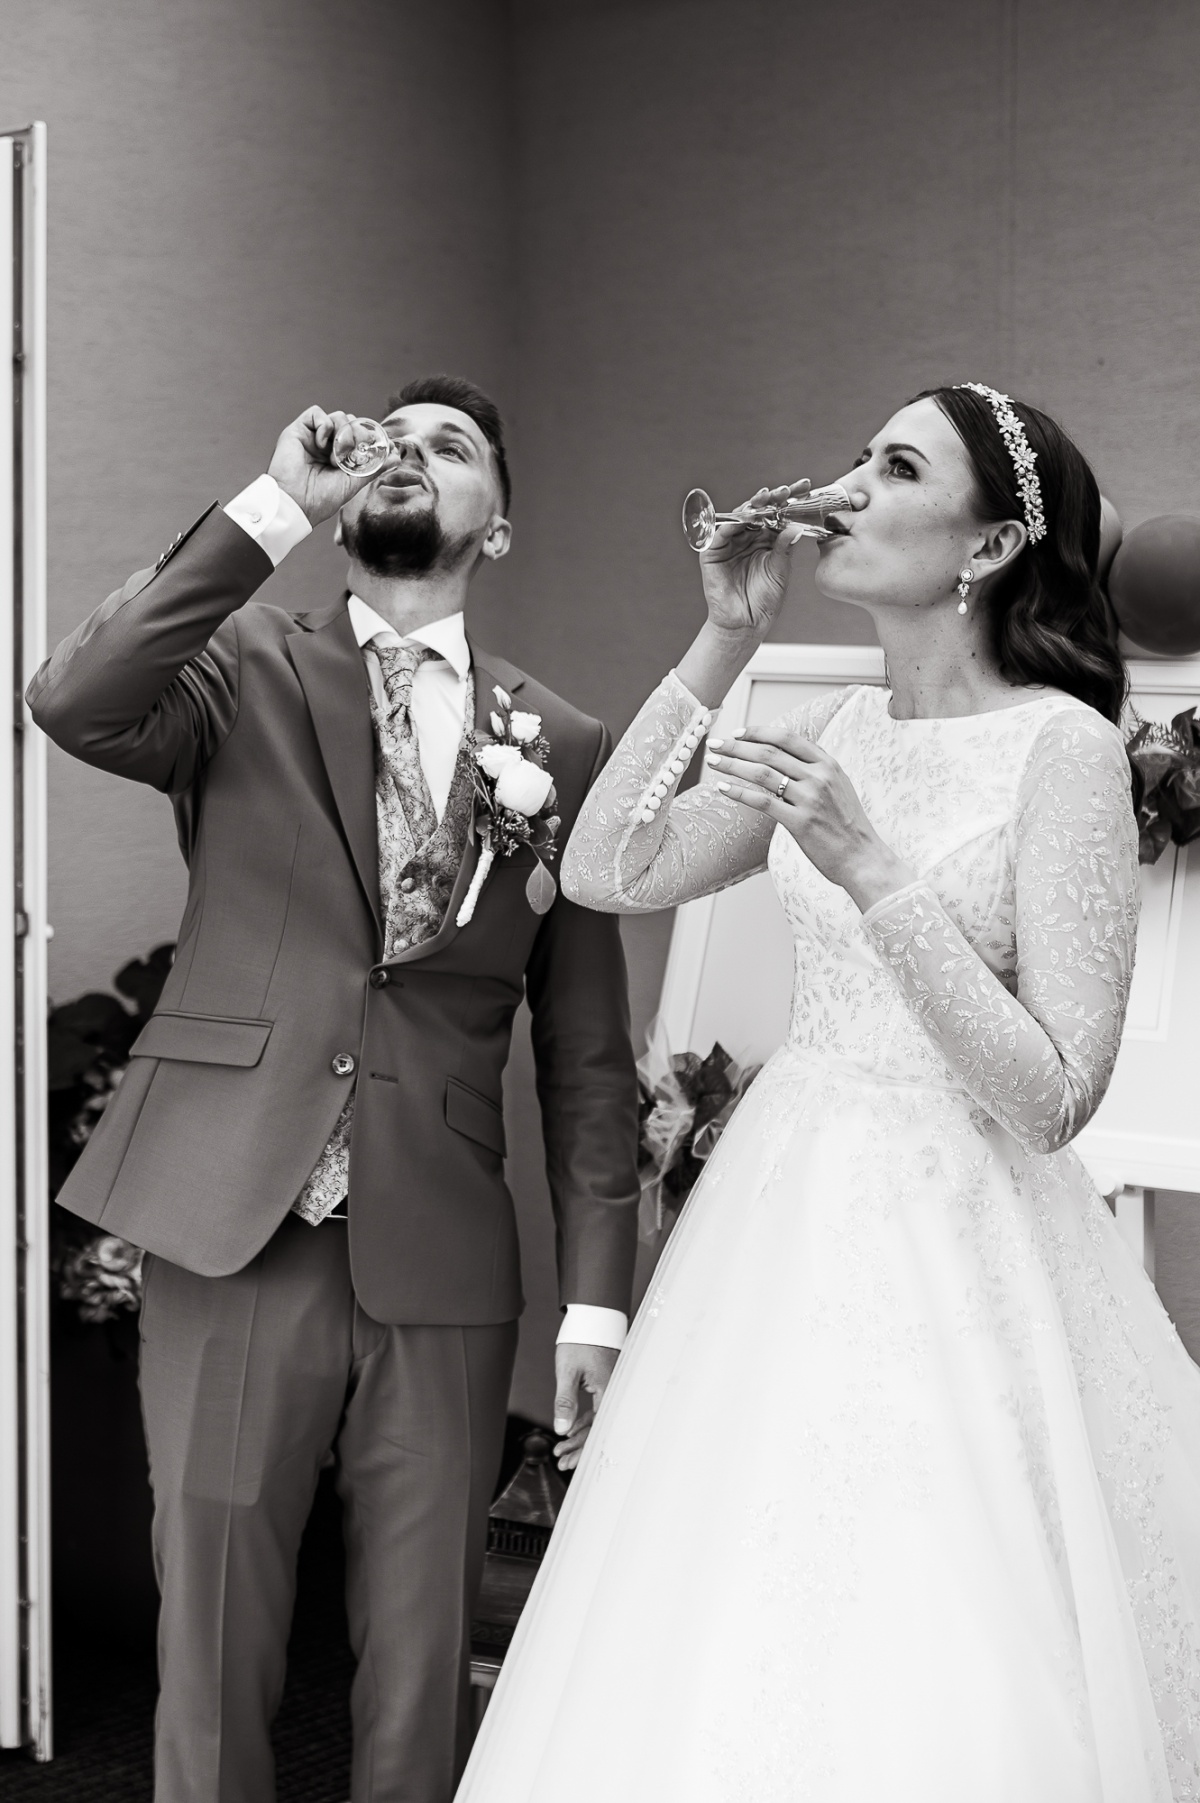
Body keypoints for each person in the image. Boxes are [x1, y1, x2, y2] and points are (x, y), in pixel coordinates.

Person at [455, 383, 1200, 1802]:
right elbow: (607, 870)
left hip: (967, 1246)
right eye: (858, 455)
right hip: (780, 1221)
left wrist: (870, 869)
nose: (846, 486)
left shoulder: (1065, 749)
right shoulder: (836, 727)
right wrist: (724, 637)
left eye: (898, 467)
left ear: (990, 547)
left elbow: (1055, 1097)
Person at [28, 376, 640, 1803]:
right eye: (389, 441)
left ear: (498, 525)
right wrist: (272, 512)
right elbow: (71, 698)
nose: (410, 455)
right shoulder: (236, 662)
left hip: (443, 1244)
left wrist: (596, 1304)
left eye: (451, 446)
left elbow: (588, 1054)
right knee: (214, 1625)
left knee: (423, 1657)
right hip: (232, 1215)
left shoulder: (566, 742)